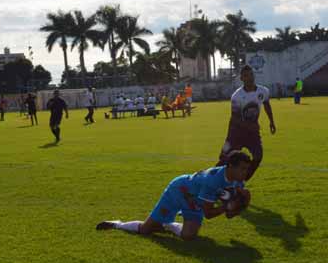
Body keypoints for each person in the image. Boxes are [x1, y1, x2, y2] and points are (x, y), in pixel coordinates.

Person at [96, 151, 252, 241]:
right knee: (145, 230)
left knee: (188, 236)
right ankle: (117, 224)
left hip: (194, 202)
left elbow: (230, 214)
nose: (245, 173)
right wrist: (227, 206)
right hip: (178, 191)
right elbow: (209, 214)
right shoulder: (212, 181)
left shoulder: (237, 182)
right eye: (243, 169)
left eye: (246, 169)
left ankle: (167, 225)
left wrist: (239, 205)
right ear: (230, 166)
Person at [216, 65, 277, 181]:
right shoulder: (237, 96)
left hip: (252, 133)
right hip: (235, 133)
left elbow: (266, 104)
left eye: (251, 75)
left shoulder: (263, 91)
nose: (250, 78)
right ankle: (208, 181)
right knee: (224, 159)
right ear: (241, 79)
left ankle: (241, 181)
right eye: (246, 76)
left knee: (258, 156)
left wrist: (271, 122)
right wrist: (250, 126)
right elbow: (235, 119)